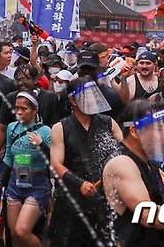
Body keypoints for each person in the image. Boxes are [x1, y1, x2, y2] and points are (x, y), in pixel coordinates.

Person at [49, 76, 123, 246]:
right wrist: (79, 183)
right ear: (73, 100)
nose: (92, 98)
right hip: (72, 201)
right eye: (86, 95)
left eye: (93, 94)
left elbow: (124, 151)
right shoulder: (60, 128)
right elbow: (56, 164)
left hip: (104, 198)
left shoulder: (109, 123)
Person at [102, 99, 164, 246]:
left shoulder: (148, 161)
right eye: (158, 129)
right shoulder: (122, 163)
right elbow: (148, 216)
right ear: (134, 131)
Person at [0, 90, 51, 246]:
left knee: (22, 231)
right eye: (17, 108)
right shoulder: (11, 128)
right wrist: (1, 180)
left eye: (24, 109)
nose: (19, 112)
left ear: (35, 110)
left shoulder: (46, 131)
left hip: (37, 184)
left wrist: (41, 145)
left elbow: (54, 159)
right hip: (15, 183)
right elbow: (9, 154)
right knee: (15, 235)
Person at [0, 65, 60, 164]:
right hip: (17, 155)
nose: (21, 83)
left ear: (35, 80)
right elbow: (1, 128)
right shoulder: (10, 98)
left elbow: (54, 127)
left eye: (25, 79)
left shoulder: (49, 97)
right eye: (17, 80)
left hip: (42, 155)